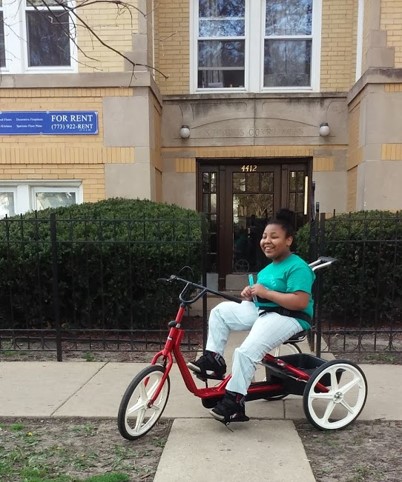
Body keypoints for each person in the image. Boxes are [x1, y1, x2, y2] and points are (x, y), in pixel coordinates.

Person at [187, 209, 315, 424]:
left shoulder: (298, 266)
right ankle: (214, 361)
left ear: (289, 240)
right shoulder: (269, 268)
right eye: (265, 236)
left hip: (290, 316)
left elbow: (300, 301)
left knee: (245, 352)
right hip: (264, 311)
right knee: (220, 312)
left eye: (274, 237)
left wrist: (265, 293)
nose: (267, 241)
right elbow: (263, 295)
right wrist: (250, 294)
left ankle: (235, 402)